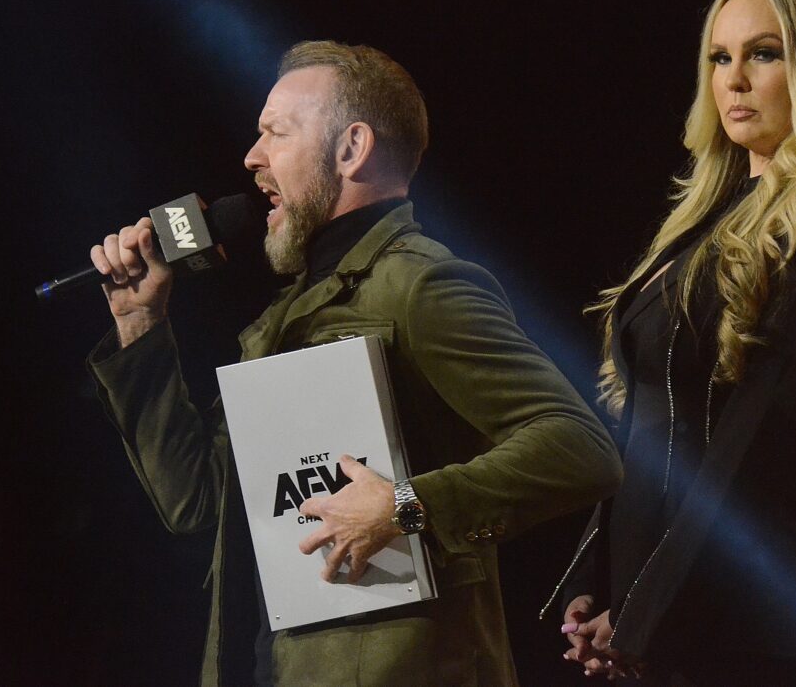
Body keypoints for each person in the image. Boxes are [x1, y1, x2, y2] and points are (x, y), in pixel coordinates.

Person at [87, 40, 623, 686]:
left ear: (351, 148)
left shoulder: (423, 285)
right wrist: (139, 323)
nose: (252, 159)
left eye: (275, 134)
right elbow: (198, 500)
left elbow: (580, 448)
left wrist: (405, 506)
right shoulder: (286, 318)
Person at [548, 0, 796, 684]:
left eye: (764, 53)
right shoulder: (701, 226)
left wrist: (642, 614)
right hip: (679, 627)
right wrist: (598, 584)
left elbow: (754, 450)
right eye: (720, 56)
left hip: (769, 635)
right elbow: (649, 432)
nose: (734, 78)